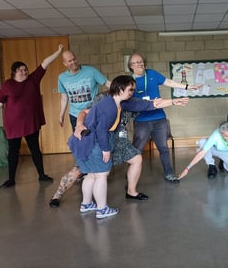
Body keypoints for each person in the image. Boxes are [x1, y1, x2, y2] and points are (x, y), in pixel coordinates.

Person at [68, 75, 188, 219]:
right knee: (101, 175)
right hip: (93, 142)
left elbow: (148, 105)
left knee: (91, 175)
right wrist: (106, 150)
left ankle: (86, 204)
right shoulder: (109, 107)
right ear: (120, 88)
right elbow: (101, 130)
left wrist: (174, 102)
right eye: (130, 89)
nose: (132, 92)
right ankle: (102, 210)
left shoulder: (120, 103)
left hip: (88, 142)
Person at [0, 45, 64, 188]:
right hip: (13, 125)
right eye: (20, 70)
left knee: (35, 149)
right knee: (13, 152)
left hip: (31, 123)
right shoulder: (7, 85)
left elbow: (45, 63)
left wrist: (58, 52)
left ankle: (42, 175)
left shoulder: (33, 79)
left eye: (25, 69)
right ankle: (11, 180)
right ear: (14, 72)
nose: (24, 71)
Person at [49, 51, 111, 207]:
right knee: (82, 151)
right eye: (69, 61)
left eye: (74, 59)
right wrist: (61, 115)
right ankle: (81, 171)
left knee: (94, 149)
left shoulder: (91, 71)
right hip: (76, 116)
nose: (73, 62)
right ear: (64, 63)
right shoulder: (62, 78)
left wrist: (122, 90)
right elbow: (64, 97)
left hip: (94, 114)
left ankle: (90, 171)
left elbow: (108, 84)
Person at [128, 53, 202, 182]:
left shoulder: (151, 73)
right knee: (136, 150)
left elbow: (168, 82)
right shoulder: (129, 81)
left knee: (163, 148)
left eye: (141, 61)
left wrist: (187, 87)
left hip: (159, 118)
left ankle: (169, 173)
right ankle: (130, 178)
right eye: (136, 62)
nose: (140, 64)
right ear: (131, 66)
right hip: (141, 121)